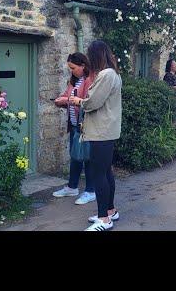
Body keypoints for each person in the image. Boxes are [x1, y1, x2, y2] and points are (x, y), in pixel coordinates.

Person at [68, 41, 122, 231]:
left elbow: (92, 103)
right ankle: (110, 211)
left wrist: (77, 101)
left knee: (98, 174)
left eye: (91, 55)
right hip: (107, 130)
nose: (89, 59)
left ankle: (104, 219)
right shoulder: (112, 74)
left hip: (101, 131)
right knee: (106, 172)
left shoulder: (106, 75)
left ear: (96, 55)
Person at [52, 53, 96, 205]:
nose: (71, 71)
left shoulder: (90, 80)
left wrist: (71, 100)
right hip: (74, 125)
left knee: (87, 157)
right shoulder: (74, 81)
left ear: (83, 66)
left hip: (86, 126)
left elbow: (89, 102)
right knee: (75, 155)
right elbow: (67, 96)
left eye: (73, 68)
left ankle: (91, 191)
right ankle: (72, 187)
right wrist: (61, 100)